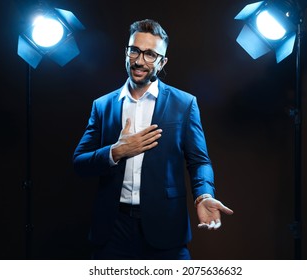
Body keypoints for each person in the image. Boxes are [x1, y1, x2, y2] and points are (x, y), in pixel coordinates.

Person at [73, 18, 234, 260]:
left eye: (150, 54)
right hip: (112, 230)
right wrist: (115, 152)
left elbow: (199, 161)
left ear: (162, 61)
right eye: (134, 51)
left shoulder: (184, 104)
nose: (139, 61)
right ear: (126, 52)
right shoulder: (103, 105)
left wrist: (204, 194)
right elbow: (79, 163)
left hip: (166, 228)